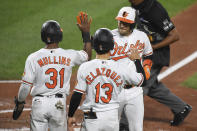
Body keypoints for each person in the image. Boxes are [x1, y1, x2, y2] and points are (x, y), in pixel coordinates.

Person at [13, 14, 92, 131]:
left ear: (43, 36)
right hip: (58, 105)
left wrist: (20, 102)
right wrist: (85, 33)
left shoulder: (33, 57)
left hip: (39, 104)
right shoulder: (69, 55)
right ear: (60, 35)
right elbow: (87, 55)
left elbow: (25, 86)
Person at [123, 0, 192, 127]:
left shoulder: (154, 10)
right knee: (151, 86)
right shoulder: (135, 5)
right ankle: (181, 108)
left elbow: (174, 36)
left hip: (155, 56)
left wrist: (152, 48)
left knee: (138, 86)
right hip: (144, 52)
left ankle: (125, 123)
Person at [67, 28, 146, 131]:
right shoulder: (120, 68)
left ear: (94, 46)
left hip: (91, 115)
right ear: (112, 46)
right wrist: (137, 60)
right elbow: (142, 81)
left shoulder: (85, 67)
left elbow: (77, 95)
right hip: (111, 116)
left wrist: (70, 115)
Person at [110, 6, 153, 131]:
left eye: (126, 23)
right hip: (114, 91)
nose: (121, 25)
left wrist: (146, 69)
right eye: (120, 21)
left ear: (133, 24)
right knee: (111, 127)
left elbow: (148, 55)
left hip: (135, 92)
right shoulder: (109, 36)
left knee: (137, 128)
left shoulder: (142, 36)